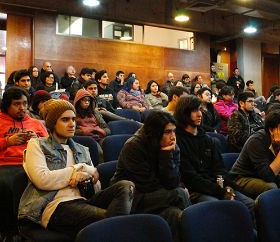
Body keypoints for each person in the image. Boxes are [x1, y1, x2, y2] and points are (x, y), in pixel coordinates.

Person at [18, 99, 134, 238]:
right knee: (109, 220)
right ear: (52, 123)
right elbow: (42, 179)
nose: (72, 124)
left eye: (73, 119)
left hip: (84, 199)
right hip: (55, 205)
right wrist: (79, 168)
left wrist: (86, 177)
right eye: (65, 120)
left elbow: (96, 185)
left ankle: (112, 229)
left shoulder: (82, 149)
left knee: (126, 186)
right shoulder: (37, 145)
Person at [111, 110, 190, 241]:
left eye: (174, 131)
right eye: (167, 132)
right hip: (133, 198)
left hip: (159, 195)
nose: (173, 136)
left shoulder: (171, 146)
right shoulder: (133, 146)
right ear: (155, 133)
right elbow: (147, 184)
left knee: (174, 214)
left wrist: (166, 155)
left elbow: (173, 180)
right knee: (180, 194)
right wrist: (172, 189)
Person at [174, 96, 254, 213]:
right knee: (220, 209)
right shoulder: (177, 141)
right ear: (184, 114)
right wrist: (221, 191)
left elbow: (220, 168)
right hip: (196, 191)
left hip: (217, 187)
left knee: (251, 205)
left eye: (200, 110)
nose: (199, 114)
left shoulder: (207, 139)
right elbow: (190, 178)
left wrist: (227, 188)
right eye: (194, 110)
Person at [0, 87, 48, 238]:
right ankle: (11, 232)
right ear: (7, 105)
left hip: (34, 163)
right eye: (16, 104)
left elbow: (51, 145)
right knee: (9, 187)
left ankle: (33, 228)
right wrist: (8, 141)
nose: (22, 108)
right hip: (6, 164)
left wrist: (38, 140)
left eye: (25, 103)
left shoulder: (36, 123)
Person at [230, 109, 280, 199]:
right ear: (271, 130)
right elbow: (268, 176)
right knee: (271, 187)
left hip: (271, 176)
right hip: (244, 177)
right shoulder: (256, 141)